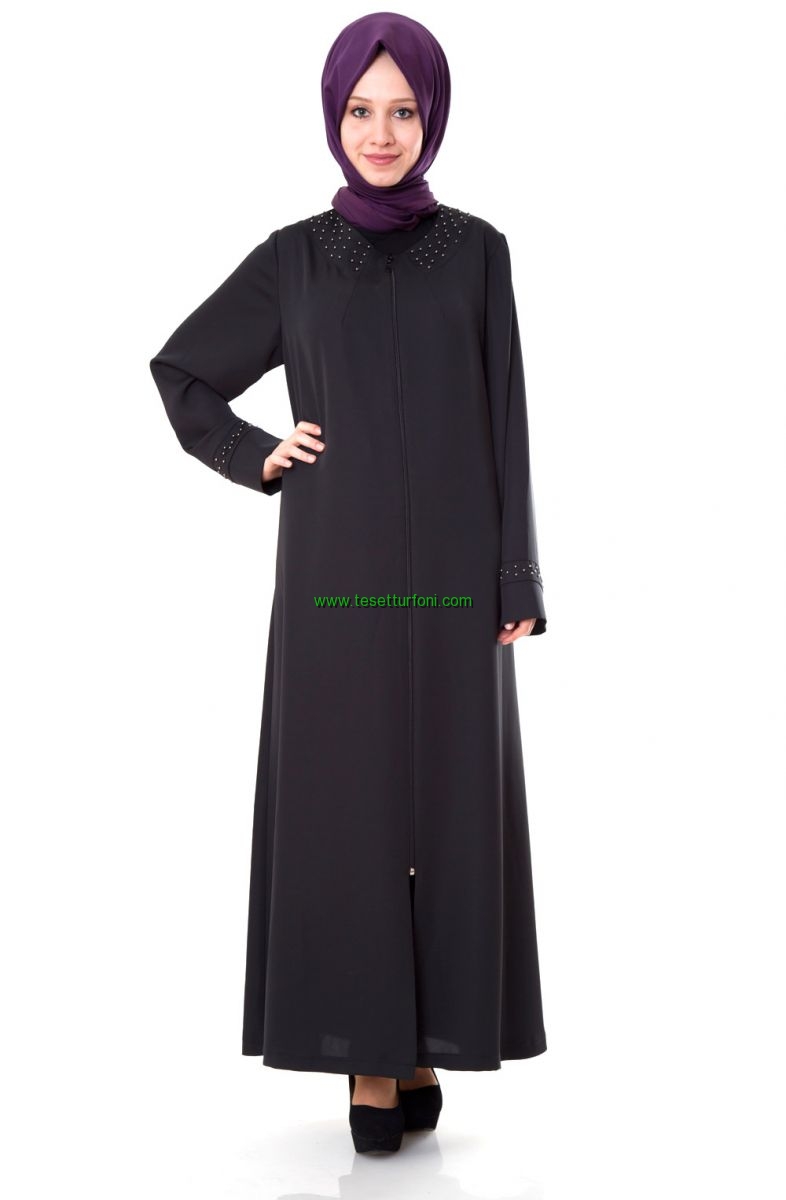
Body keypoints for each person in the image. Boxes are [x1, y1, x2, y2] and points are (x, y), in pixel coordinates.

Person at [149, 11, 549, 1155]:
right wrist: (257, 453)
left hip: (457, 578)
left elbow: (508, 414)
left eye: (404, 111)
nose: (381, 133)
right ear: (334, 118)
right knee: (351, 804)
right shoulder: (294, 257)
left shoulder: (478, 250)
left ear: (434, 118)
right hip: (338, 569)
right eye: (361, 110)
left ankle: (428, 1039)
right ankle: (370, 1056)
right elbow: (183, 372)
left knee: (449, 805)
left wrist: (515, 571)